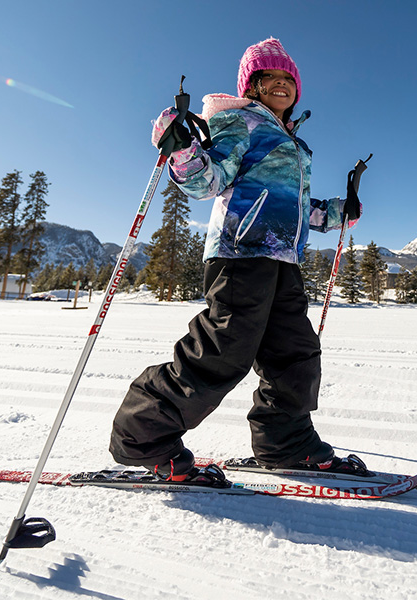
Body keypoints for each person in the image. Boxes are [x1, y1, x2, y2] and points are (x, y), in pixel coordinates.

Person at [108, 37, 364, 484]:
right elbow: (208, 180)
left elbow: (299, 207)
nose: (281, 85)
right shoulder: (240, 122)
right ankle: (143, 438)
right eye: (270, 78)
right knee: (223, 353)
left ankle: (287, 443)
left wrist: (342, 211)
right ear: (253, 85)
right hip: (240, 255)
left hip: (283, 260)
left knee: (296, 355)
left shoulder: (294, 142)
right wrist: (182, 151)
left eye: (288, 79)